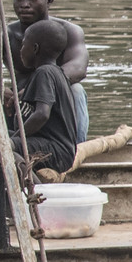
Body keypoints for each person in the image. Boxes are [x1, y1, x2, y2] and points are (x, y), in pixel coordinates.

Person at [8, 0, 90, 146]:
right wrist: (2, 90)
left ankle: (75, 147)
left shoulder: (70, 31)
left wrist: (38, 87)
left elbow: (79, 68)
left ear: (48, 0)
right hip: (22, 108)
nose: (25, 4)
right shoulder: (6, 35)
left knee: (77, 90)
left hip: (57, 109)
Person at [9, 20, 80, 175]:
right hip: (54, 147)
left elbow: (42, 114)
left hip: (55, 151)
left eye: (23, 45)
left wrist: (16, 138)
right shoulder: (56, 72)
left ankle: (35, 188)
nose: (20, 50)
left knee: (4, 146)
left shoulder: (44, 72)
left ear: (35, 48)